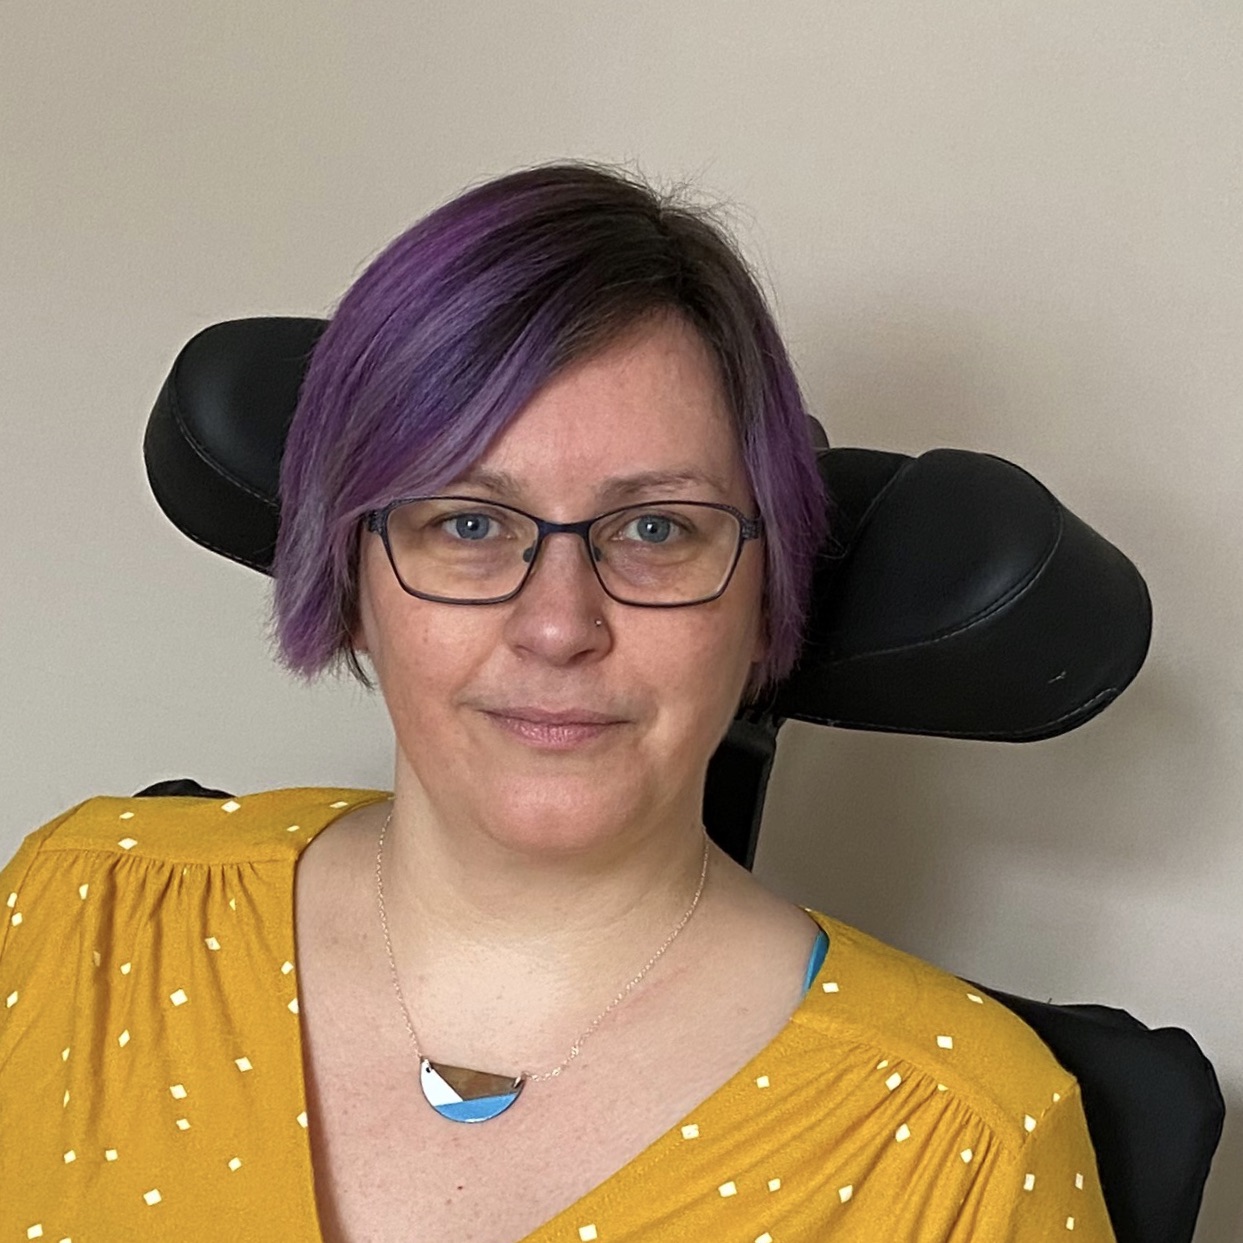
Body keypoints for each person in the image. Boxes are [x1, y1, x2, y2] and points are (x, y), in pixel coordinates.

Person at [0, 162, 1115, 1241]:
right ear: (346, 575)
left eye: (657, 529)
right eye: (469, 523)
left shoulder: (965, 1143)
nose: (558, 625)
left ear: (765, 589)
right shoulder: (84, 909)